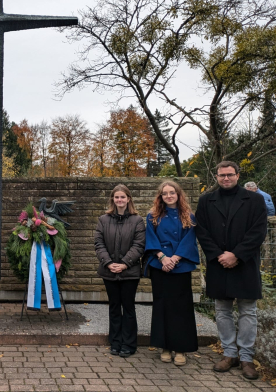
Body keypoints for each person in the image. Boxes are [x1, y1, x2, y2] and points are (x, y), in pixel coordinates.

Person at [196, 161, 268, 380]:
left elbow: (259, 231)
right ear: (216, 177)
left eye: (229, 174)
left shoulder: (255, 200)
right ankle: (229, 354)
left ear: (238, 175)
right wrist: (220, 255)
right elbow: (201, 230)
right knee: (222, 310)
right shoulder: (206, 200)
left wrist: (236, 254)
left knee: (248, 311)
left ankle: (246, 357)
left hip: (245, 263)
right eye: (221, 175)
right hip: (219, 264)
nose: (225, 178)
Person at [144, 181, 200, 366]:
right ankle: (165, 346)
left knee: (181, 308)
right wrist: (162, 258)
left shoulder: (188, 216)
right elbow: (151, 239)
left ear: (178, 194)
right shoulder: (152, 216)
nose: (168, 196)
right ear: (160, 196)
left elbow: (189, 240)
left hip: (181, 266)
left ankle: (181, 348)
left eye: (172, 193)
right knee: (162, 306)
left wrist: (174, 258)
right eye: (164, 193)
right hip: (160, 266)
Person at [94, 184, 146, 358]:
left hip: (129, 273)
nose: (120, 200)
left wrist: (124, 263)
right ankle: (115, 342)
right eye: (116, 197)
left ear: (128, 199)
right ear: (113, 199)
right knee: (114, 307)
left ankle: (129, 344)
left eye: (123, 197)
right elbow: (99, 244)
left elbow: (139, 245)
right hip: (109, 272)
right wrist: (108, 263)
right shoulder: (103, 220)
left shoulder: (137, 220)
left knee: (128, 307)